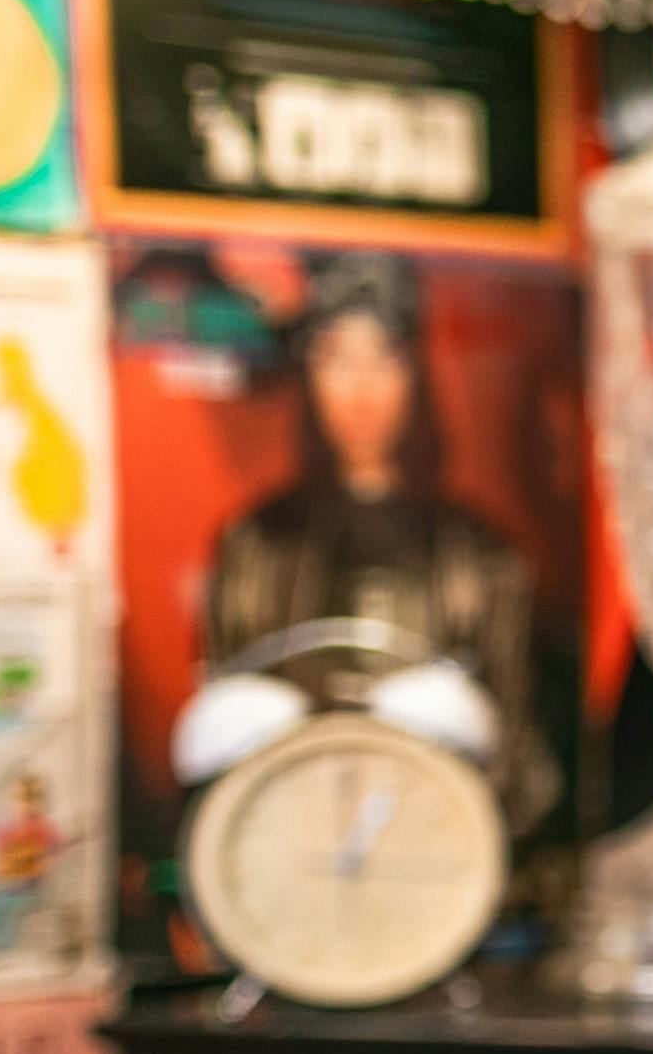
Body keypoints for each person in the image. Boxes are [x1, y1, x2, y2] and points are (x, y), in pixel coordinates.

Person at [200, 250, 547, 827]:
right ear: (307, 375)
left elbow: (515, 751)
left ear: (415, 375)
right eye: (336, 360)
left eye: (383, 361)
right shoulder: (257, 546)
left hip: (434, 842)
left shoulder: (480, 558)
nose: (361, 392)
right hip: (289, 836)